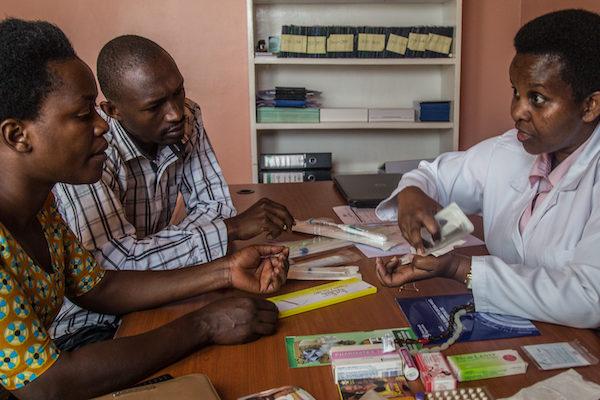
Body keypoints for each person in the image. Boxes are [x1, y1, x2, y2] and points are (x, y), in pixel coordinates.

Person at [0, 18, 288, 399]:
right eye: (84, 115)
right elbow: (45, 385)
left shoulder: (41, 206)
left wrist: (225, 272)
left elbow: (100, 287)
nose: (103, 127)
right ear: (17, 135)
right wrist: (204, 324)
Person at [51, 34, 294, 338]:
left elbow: (213, 206)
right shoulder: (89, 151)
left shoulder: (186, 118)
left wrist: (157, 253)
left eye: (178, 91)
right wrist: (227, 231)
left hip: (163, 293)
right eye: (154, 106)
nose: (176, 113)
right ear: (113, 111)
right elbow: (114, 268)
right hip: (91, 323)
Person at [375, 9, 600, 329]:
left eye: (537, 98)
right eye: (515, 92)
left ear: (590, 105)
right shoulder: (511, 150)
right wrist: (413, 193)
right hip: (517, 328)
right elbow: (434, 176)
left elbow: (587, 297)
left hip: (581, 350)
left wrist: (459, 268)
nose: (517, 111)